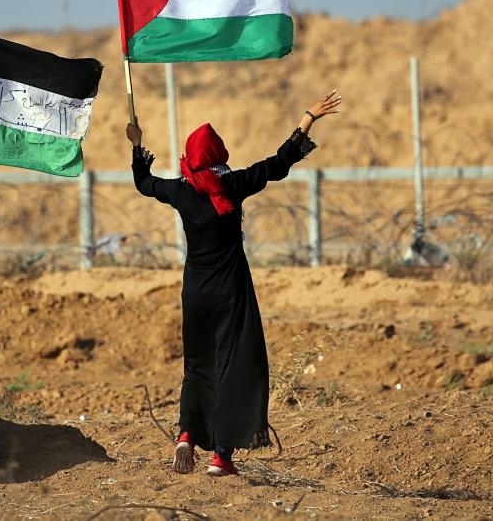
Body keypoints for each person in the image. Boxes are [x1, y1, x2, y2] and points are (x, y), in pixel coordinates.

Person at [126, 90, 342, 477]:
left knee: (197, 366)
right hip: (232, 291)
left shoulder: (180, 190)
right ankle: (222, 457)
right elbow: (277, 164)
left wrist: (137, 143)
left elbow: (144, 182)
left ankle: (187, 433)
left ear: (191, 157)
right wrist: (309, 117)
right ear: (219, 154)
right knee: (236, 366)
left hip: (195, 291)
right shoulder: (233, 185)